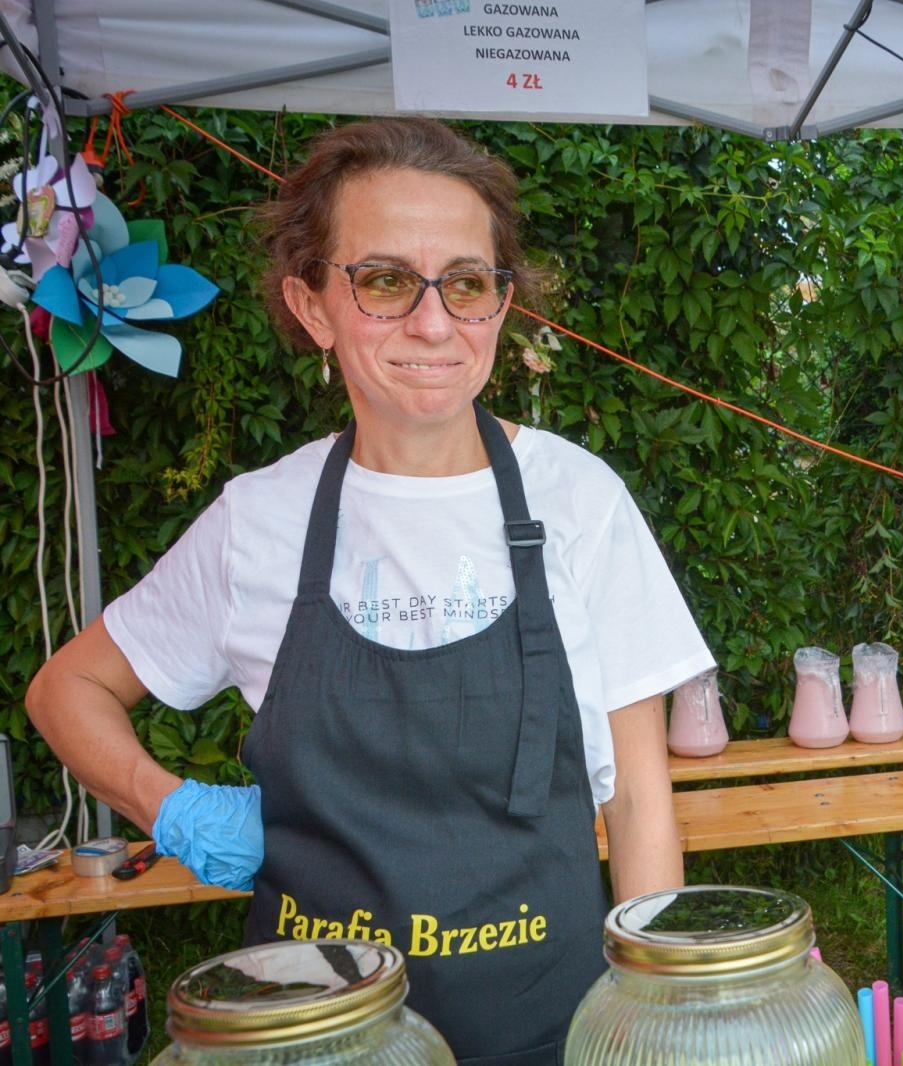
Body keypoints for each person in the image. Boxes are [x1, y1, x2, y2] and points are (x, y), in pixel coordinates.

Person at [25, 117, 715, 1064]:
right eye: (386, 280)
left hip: (550, 1032)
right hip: (316, 1038)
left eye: (467, 284)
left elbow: (638, 797)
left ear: (500, 307)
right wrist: (167, 802)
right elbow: (66, 688)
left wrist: (657, 1010)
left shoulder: (579, 499)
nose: (434, 323)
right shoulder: (258, 520)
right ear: (313, 308)